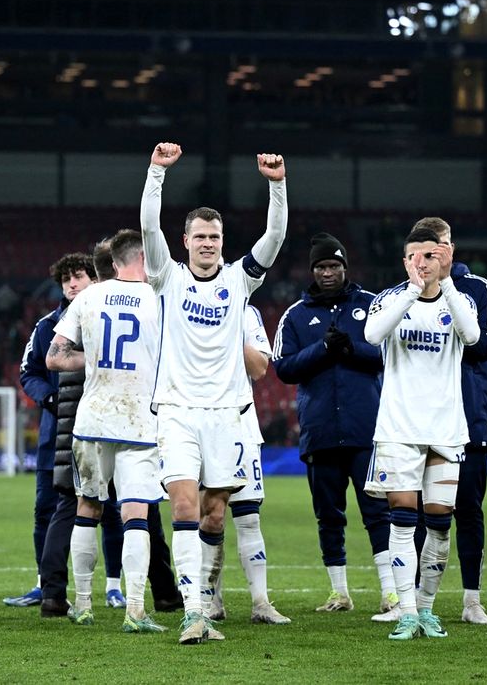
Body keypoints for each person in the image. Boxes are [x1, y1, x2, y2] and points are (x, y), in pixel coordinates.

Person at [141, 142, 287, 644]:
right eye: (200, 236)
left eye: (215, 236)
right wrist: (156, 172)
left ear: (223, 241)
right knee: (184, 506)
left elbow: (274, 236)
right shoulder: (167, 277)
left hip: (227, 415)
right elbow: (148, 227)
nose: (208, 243)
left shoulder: (240, 281)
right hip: (177, 410)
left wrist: (276, 184)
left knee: (215, 513)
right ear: (185, 241)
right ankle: (193, 613)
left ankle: (207, 595)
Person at [38, 239, 179, 619]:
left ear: (114, 262)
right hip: (139, 421)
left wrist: (95, 358)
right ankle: (135, 610)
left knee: (87, 507)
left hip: (92, 419)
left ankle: (83, 605)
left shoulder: (89, 297)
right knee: (136, 514)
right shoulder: (159, 299)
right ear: (143, 257)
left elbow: (54, 358)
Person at [272, 232, 398, 622]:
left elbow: (389, 354)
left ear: (345, 267)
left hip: (366, 430)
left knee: (377, 512)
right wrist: (323, 349)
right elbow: (283, 368)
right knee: (328, 515)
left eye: (334, 266)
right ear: (312, 270)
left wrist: (350, 349)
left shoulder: (373, 304)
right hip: (321, 431)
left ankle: (390, 593)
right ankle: (339, 592)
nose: (328, 273)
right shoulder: (295, 315)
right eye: (321, 267)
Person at [363, 227, 480, 640]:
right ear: (405, 261)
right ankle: (407, 612)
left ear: (444, 257)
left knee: (440, 522)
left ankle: (427, 608)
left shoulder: (459, 299)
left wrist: (445, 282)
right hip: (398, 429)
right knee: (401, 520)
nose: (423, 262)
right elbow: (372, 335)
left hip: (445, 431)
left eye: (431, 255)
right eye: (416, 256)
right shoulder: (390, 299)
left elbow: (473, 336)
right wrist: (412, 291)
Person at [9, 253, 125, 606]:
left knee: (111, 509)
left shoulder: (111, 320)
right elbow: (28, 371)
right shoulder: (48, 326)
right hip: (56, 434)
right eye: (66, 279)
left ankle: (113, 586)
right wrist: (50, 398)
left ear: (94, 279)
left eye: (79, 276)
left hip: (106, 430)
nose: (72, 284)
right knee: (46, 509)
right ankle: (44, 584)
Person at [411, 217, 487, 625]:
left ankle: (472, 600)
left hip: (468, 416)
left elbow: (485, 345)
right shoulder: (405, 293)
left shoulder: (478, 289)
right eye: (427, 250)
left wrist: (446, 290)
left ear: (452, 247)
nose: (435, 255)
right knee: (415, 512)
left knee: (467, 509)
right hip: (420, 420)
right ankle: (413, 601)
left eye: (441, 246)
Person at [205, 303, 291, 625]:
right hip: (198, 425)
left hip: (240, 425)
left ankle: (261, 603)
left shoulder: (246, 312)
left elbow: (259, 369)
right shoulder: (180, 303)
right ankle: (211, 602)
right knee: (209, 518)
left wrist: (226, 331)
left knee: (249, 518)